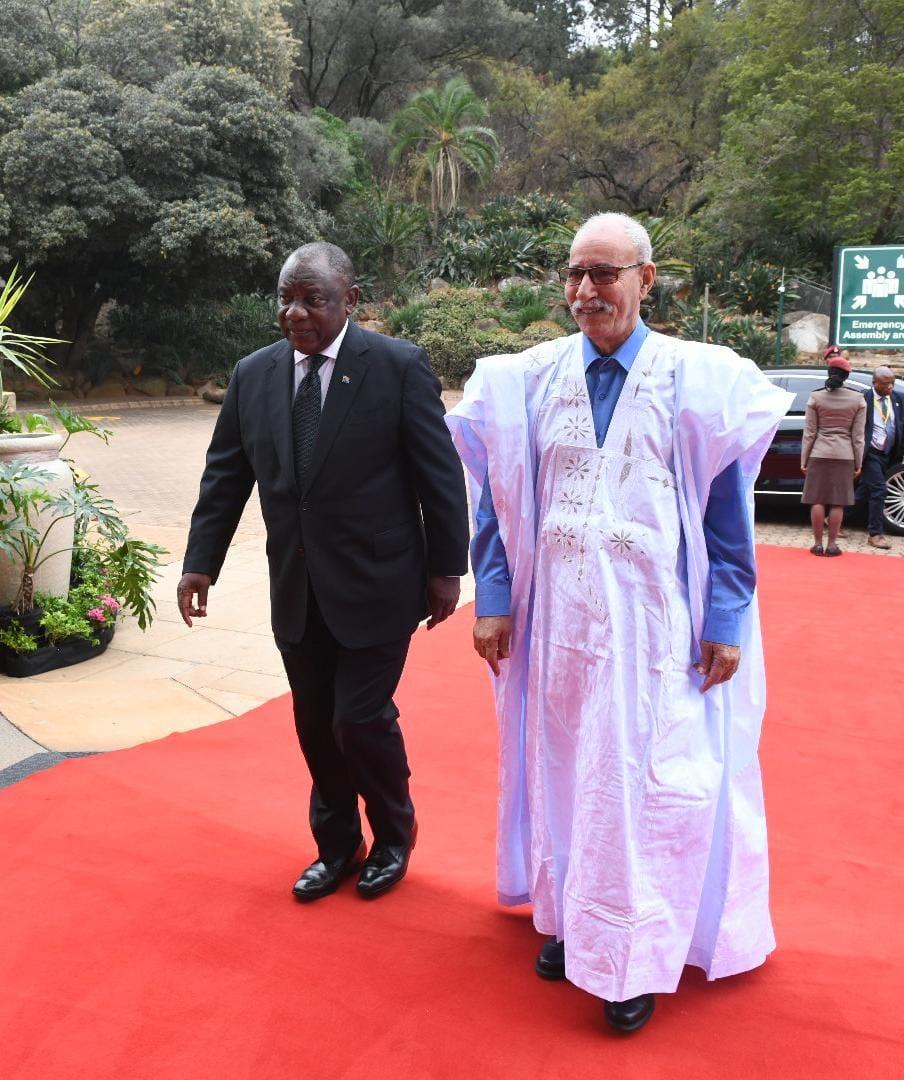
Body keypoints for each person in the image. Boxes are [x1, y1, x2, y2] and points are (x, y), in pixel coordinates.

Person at [446, 213, 791, 1034]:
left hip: (654, 633)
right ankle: (573, 921)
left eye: (604, 273)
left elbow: (726, 519)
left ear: (646, 278)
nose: (585, 290)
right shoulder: (528, 379)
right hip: (556, 629)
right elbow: (496, 505)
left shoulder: (697, 381)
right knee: (567, 776)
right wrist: (493, 600)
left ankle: (632, 956)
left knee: (642, 786)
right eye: (575, 273)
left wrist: (726, 618)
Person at [178, 242, 469, 901]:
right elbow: (226, 477)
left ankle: (393, 834)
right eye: (286, 298)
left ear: (350, 300)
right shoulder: (253, 374)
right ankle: (337, 846)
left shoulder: (396, 366)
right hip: (297, 585)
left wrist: (446, 569)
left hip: (379, 581)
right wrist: (201, 563)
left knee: (358, 719)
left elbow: (440, 476)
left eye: (314, 299)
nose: (296, 313)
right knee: (314, 724)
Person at [800, 347, 866, 556]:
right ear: (847, 376)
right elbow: (858, 437)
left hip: (818, 453)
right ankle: (832, 546)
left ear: (829, 373)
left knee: (817, 499)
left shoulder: (816, 397)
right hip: (845, 455)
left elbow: (809, 433)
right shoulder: (858, 399)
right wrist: (858, 463)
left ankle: (817, 544)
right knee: (838, 502)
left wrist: (804, 460)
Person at [857, 365, 903, 549]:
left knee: (864, 491)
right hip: (871, 453)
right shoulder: (863, 399)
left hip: (890, 453)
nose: (890, 387)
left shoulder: (898, 398)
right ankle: (875, 533)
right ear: (874, 383)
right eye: (885, 384)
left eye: (892, 383)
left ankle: (837, 517)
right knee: (879, 489)